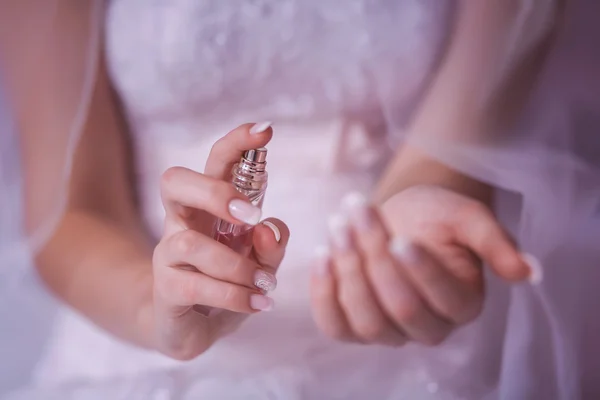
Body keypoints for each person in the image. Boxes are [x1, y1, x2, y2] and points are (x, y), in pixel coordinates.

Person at [2, 0, 599, 399]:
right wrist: (156, 307)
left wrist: (407, 227)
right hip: (133, 331)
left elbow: (444, 150)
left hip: (395, 338)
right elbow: (71, 209)